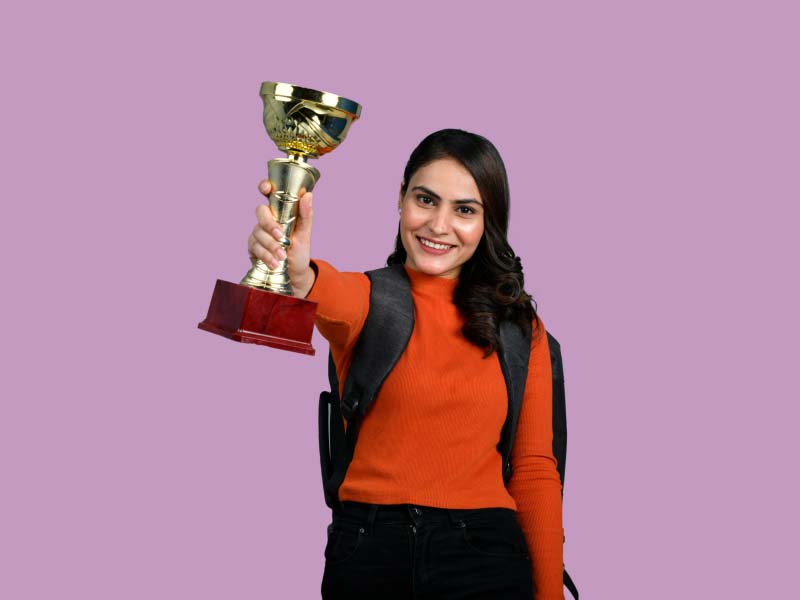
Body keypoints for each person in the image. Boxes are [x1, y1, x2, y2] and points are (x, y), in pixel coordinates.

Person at [248, 129, 565, 599]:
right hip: (369, 551)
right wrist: (295, 270)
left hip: (485, 558)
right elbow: (322, 290)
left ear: (488, 221)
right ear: (400, 198)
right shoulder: (371, 299)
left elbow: (535, 470)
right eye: (425, 199)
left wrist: (548, 595)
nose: (438, 225)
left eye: (464, 209)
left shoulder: (519, 329)